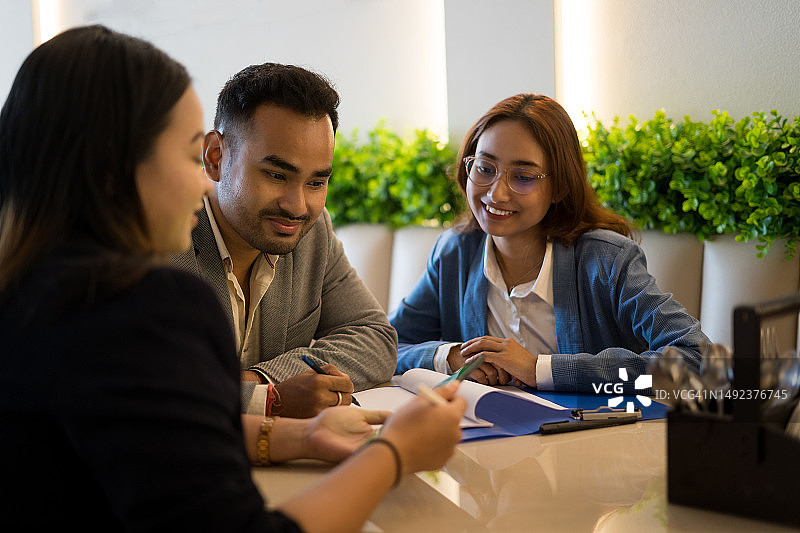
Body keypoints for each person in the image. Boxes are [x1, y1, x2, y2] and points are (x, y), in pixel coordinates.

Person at [0, 25, 466, 532]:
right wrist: (396, 452)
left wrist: (293, 436)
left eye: (317, 180)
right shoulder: (142, 303)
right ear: (112, 174)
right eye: (186, 155)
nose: (202, 180)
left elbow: (142, 428)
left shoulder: (34, 291)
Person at [390, 93, 708, 393]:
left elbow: (697, 360)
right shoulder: (455, 252)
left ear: (559, 188)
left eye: (523, 176)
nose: (495, 193)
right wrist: (451, 357)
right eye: (485, 168)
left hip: (590, 443)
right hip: (487, 443)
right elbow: (388, 344)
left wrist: (541, 369)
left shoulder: (607, 261)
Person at [172, 63, 396, 418]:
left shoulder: (311, 229)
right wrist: (271, 400)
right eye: (277, 175)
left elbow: (373, 337)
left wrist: (262, 380)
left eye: (316, 182)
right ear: (215, 156)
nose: (298, 206)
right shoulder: (159, 233)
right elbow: (148, 390)